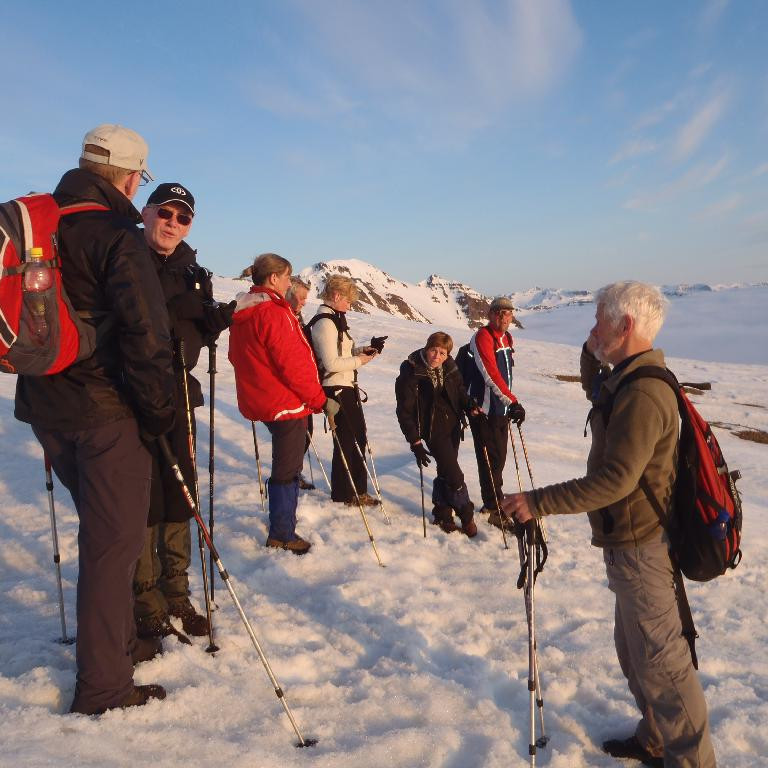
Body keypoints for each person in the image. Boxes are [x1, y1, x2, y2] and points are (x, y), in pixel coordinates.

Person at [501, 281, 716, 768]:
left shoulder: (642, 392)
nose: (591, 328)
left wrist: (538, 502)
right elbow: (592, 386)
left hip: (643, 548)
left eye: (599, 321)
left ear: (627, 326)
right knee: (636, 657)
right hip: (628, 545)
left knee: (663, 667)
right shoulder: (626, 377)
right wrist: (593, 345)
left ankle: (693, 761)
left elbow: (616, 480)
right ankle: (656, 739)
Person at [14, 124, 175, 714]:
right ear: (131, 177)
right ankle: (104, 686)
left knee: (106, 532)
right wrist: (158, 416)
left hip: (45, 407)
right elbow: (148, 337)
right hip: (103, 411)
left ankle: (120, 642)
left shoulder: (44, 222)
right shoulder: (115, 234)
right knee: (113, 544)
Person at [133, 183, 235, 642]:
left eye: (184, 217)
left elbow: (195, 327)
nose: (173, 222)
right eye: (166, 212)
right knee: (142, 502)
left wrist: (210, 322)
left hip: (179, 394)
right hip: (130, 396)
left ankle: (178, 592)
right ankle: (146, 600)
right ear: (146, 210)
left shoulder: (194, 271)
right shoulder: (124, 258)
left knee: (180, 496)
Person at [228, 253, 331, 554]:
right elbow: (294, 364)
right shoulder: (274, 311)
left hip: (261, 397)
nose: (289, 282)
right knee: (287, 469)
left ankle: (282, 528)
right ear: (274, 278)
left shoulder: (244, 310)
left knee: (285, 466)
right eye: (287, 277)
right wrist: (318, 400)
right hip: (285, 401)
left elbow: (236, 357)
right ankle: (282, 533)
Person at [307, 275, 382, 506]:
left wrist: (364, 350)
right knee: (346, 440)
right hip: (336, 388)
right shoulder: (325, 323)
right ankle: (343, 494)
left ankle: (357, 491)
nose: (350, 305)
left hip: (344, 386)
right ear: (337, 296)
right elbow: (331, 363)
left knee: (357, 437)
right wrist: (360, 360)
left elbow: (340, 352)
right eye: (348, 300)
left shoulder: (333, 320)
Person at [395, 332, 478, 537]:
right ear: (426, 347)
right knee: (455, 476)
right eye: (433, 350)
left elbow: (459, 391)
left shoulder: (450, 367)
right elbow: (404, 412)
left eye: (442, 353)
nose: (436, 356)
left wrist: (470, 405)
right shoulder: (411, 372)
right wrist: (415, 441)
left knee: (445, 472)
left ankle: (442, 514)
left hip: (453, 426)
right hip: (433, 431)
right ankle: (466, 514)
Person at [465, 297, 525, 523]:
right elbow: (490, 374)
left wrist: (508, 404)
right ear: (490, 314)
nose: (503, 317)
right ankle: (492, 507)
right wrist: (512, 402)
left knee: (499, 459)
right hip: (484, 410)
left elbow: (505, 375)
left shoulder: (507, 338)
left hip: (500, 409)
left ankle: (494, 502)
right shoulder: (483, 336)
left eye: (508, 313)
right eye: (499, 312)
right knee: (490, 460)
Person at [286, 276, 315, 490]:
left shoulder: (298, 317)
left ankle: (294, 472)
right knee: (293, 435)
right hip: (290, 388)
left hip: (304, 385)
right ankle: (288, 476)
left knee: (306, 432)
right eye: (302, 297)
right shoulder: (284, 317)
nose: (304, 301)